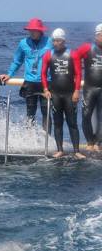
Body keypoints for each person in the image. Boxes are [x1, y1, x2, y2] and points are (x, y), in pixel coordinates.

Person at [0, 18, 53, 130]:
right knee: (30, 113)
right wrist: (9, 74)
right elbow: (17, 61)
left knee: (46, 112)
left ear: (40, 31)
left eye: (35, 30)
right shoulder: (23, 43)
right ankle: (30, 138)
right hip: (30, 81)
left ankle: (47, 140)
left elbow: (57, 59)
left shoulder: (50, 42)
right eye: (30, 30)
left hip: (46, 82)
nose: (32, 32)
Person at [41, 29, 85, 159]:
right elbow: (43, 74)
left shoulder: (73, 54)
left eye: (58, 40)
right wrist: (45, 89)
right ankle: (60, 150)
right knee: (58, 123)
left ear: (64, 41)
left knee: (72, 123)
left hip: (69, 94)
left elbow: (78, 74)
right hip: (55, 94)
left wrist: (77, 91)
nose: (56, 43)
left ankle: (76, 150)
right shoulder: (48, 55)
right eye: (54, 40)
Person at [75, 24, 102, 152]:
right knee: (86, 115)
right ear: (97, 35)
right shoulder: (86, 48)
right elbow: (73, 58)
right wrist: (75, 74)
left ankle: (98, 142)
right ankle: (90, 142)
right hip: (90, 88)